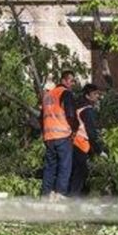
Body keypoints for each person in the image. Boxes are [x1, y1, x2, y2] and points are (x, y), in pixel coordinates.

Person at [40, 70, 79, 199]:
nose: (72, 83)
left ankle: (46, 194)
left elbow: (41, 117)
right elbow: (71, 114)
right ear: (64, 80)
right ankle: (60, 194)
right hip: (62, 135)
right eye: (71, 80)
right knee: (65, 165)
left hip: (49, 136)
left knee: (50, 166)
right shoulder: (65, 93)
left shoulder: (48, 95)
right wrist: (75, 128)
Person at [69, 83, 106, 197]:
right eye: (94, 94)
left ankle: (76, 196)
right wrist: (99, 150)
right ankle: (73, 198)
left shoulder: (79, 108)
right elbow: (91, 132)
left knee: (76, 171)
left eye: (97, 94)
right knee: (81, 172)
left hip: (73, 142)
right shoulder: (88, 110)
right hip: (81, 143)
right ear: (87, 96)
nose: (97, 96)